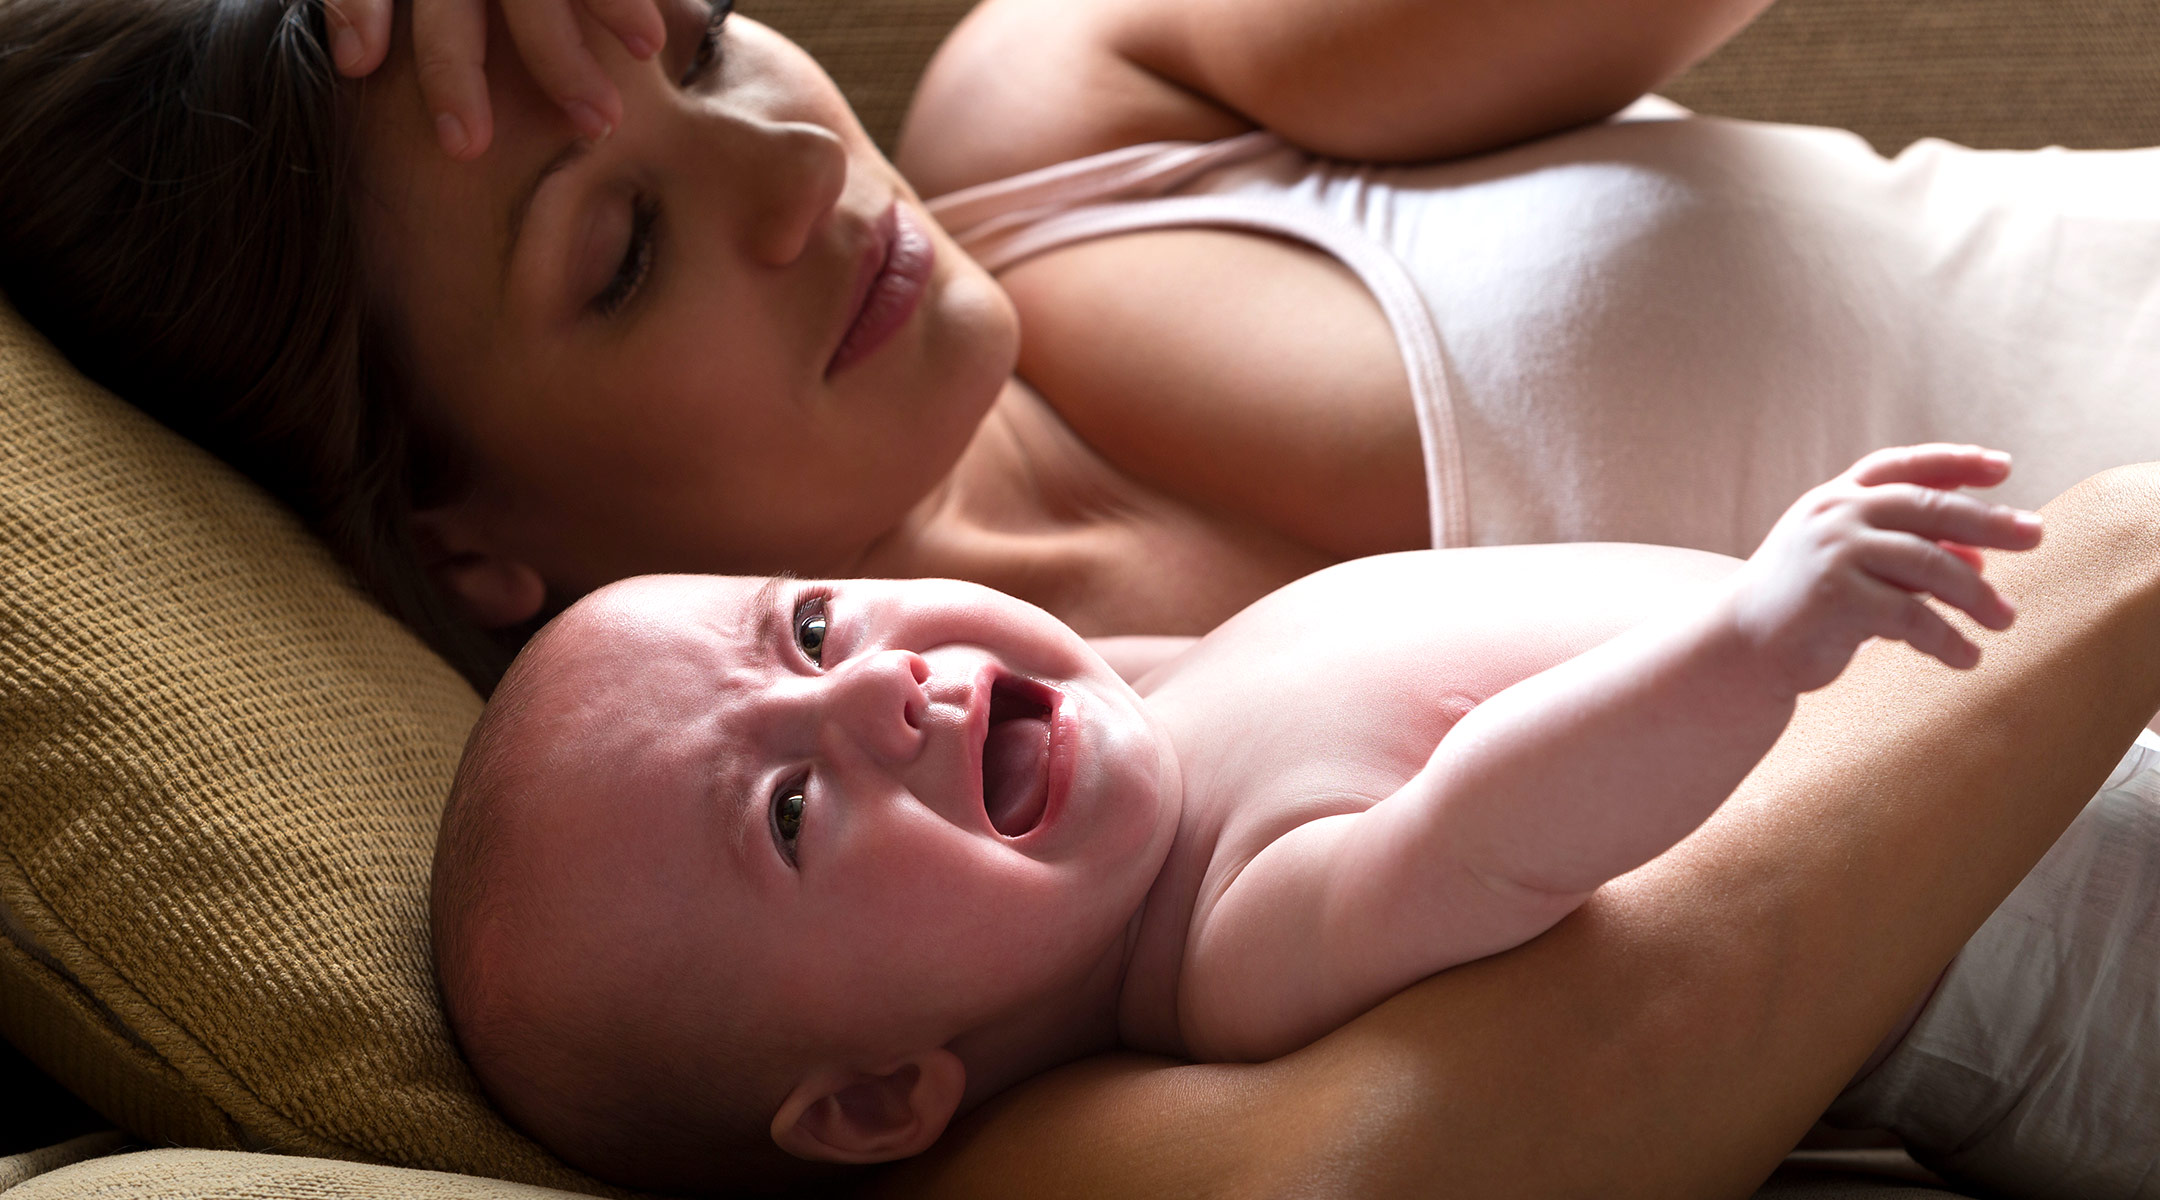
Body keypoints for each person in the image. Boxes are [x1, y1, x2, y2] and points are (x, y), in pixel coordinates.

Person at [3, 0, 2158, 1193]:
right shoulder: (952, 1014)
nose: (784, 166)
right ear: (460, 539)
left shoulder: (1066, 122)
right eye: (619, 246)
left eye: (703, 32)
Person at [434, 445, 2155, 1198]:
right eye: (792, 811)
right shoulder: (1235, 952)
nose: (868, 692)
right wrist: (1754, 639)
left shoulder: (1148, 713)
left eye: (806, 628)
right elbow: (1502, 823)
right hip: (2086, 960)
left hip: (2043, 756)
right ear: (885, 1090)